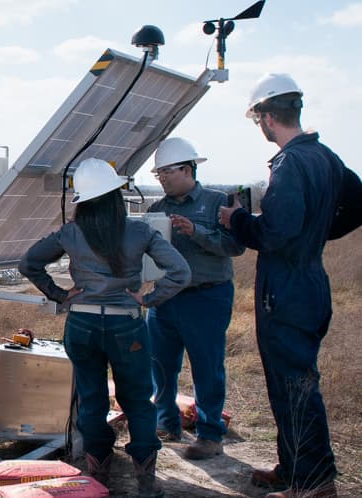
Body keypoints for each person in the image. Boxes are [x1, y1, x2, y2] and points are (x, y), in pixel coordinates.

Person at [19, 158, 190, 498]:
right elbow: (180, 272)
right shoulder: (140, 231)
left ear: (82, 200)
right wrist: (150, 299)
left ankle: (99, 474)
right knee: (138, 399)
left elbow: (29, 263)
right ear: (115, 196)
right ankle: (145, 478)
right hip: (126, 324)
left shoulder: (70, 233)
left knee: (92, 398)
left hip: (81, 323)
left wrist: (59, 294)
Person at [218, 73, 344, 498]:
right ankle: (295, 467)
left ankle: (312, 482)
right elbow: (356, 205)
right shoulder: (325, 156)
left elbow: (273, 232)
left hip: (286, 291)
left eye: (259, 122)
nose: (261, 129)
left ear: (269, 118)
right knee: (292, 383)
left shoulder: (290, 165)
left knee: (294, 388)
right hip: (311, 281)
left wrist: (235, 220)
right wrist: (317, 230)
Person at [146, 137, 245, 460]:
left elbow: (235, 247)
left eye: (167, 173)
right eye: (158, 174)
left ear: (188, 169)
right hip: (166, 299)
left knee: (206, 365)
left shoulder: (218, 202)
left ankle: (210, 434)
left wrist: (195, 232)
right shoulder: (156, 210)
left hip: (207, 296)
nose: (162, 179)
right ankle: (166, 422)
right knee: (160, 365)